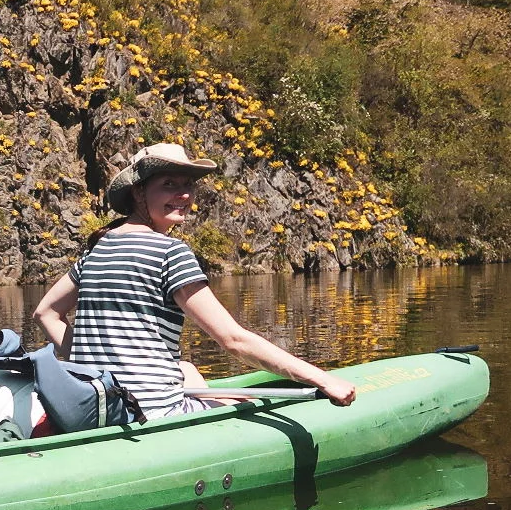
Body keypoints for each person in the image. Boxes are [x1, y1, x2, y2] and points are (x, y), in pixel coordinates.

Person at [32, 143, 357, 418]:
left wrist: (94, 358)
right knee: (237, 401)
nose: (184, 194)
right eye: (169, 184)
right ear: (138, 191)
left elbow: (45, 313)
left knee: (187, 368)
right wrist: (322, 379)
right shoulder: (170, 252)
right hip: (151, 412)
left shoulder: (98, 249)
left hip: (102, 407)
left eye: (188, 185)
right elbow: (233, 340)